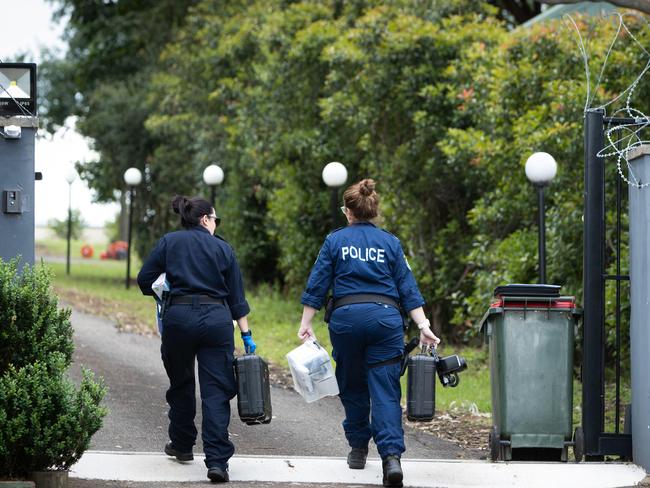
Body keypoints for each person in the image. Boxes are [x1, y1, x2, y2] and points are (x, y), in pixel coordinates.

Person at [298, 179, 440, 488]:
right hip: (385, 320)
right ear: (372, 210)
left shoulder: (334, 241)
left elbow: (318, 283)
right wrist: (423, 325)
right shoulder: (390, 242)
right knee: (386, 389)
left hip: (346, 321)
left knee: (352, 384)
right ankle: (391, 459)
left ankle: (358, 447)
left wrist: (306, 322)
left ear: (348, 211)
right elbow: (407, 288)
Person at [137, 195, 255, 484]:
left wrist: (166, 290)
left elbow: (144, 279)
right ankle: (217, 463)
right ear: (205, 219)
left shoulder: (169, 242)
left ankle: (182, 445)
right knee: (216, 390)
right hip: (216, 320)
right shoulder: (223, 249)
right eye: (216, 219)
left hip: (178, 317)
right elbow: (237, 298)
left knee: (181, 383)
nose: (216, 224)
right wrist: (246, 334)